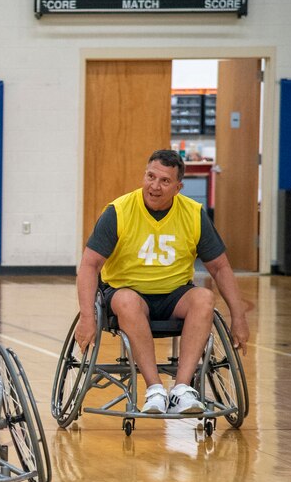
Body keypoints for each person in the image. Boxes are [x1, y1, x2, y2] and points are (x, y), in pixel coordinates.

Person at [74, 149, 250, 415]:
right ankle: (155, 388)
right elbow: (89, 265)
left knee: (204, 298)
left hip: (174, 295)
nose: (154, 186)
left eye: (164, 181)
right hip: (125, 292)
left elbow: (220, 266)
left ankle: (181, 389)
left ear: (178, 187)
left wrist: (238, 317)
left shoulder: (193, 213)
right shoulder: (118, 211)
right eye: (150, 176)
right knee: (127, 300)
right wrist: (87, 316)